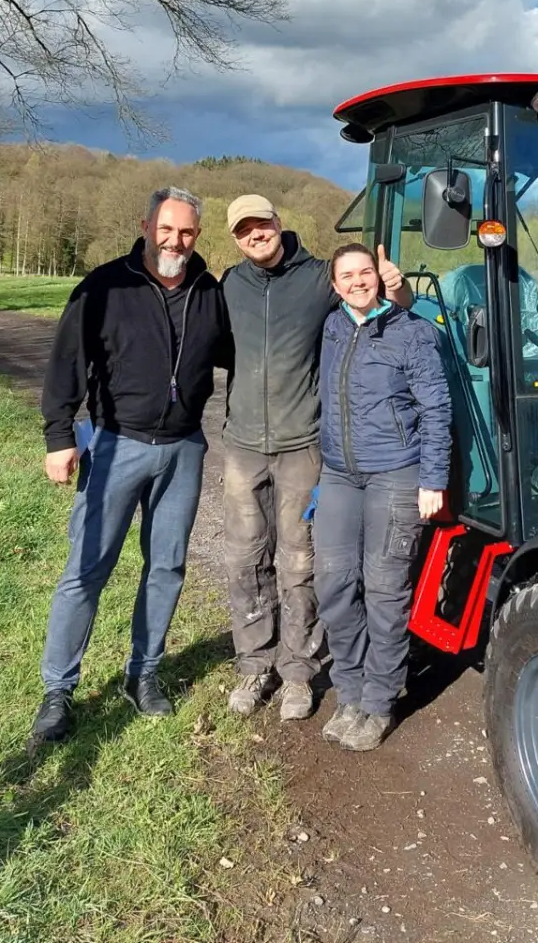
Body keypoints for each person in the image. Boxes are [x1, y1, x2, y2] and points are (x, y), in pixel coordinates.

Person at [28, 187, 231, 749]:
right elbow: (66, 363)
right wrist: (59, 437)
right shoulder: (104, 286)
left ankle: (143, 674)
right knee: (86, 570)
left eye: (186, 232)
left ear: (197, 235)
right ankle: (58, 690)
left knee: (166, 567)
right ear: (146, 226)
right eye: (166, 229)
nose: (175, 241)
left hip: (184, 449)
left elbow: (244, 353)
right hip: (116, 444)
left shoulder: (209, 292)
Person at [220, 195, 410, 722]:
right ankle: (254, 665)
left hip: (302, 444)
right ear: (236, 238)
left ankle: (298, 672)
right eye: (244, 230)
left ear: (278, 223)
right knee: (244, 559)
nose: (255, 235)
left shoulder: (319, 278)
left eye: (261, 224)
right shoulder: (230, 284)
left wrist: (397, 288)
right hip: (242, 445)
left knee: (299, 561)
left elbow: (379, 308)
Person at [313, 243, 451, 752]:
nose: (357, 282)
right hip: (339, 474)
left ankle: (378, 702)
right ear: (335, 285)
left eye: (364, 272)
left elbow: (436, 408)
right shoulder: (331, 327)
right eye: (347, 275)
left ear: (380, 276)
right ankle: (349, 691)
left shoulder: (412, 332)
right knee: (333, 583)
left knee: (385, 588)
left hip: (395, 473)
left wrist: (433, 479)